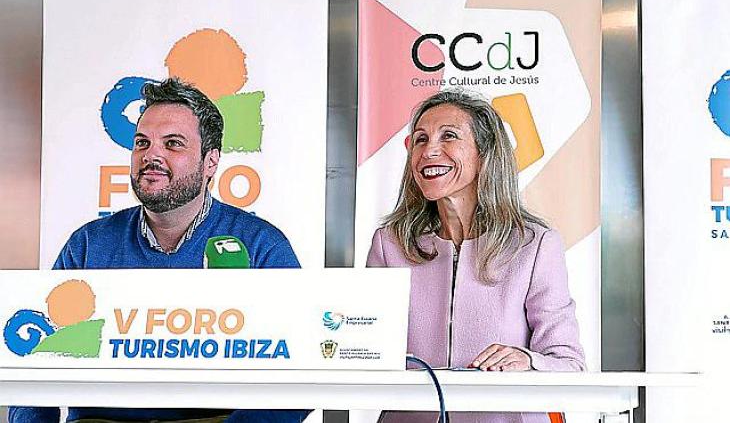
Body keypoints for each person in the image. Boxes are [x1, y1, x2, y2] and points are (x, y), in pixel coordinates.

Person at [9, 78, 310, 423]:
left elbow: (301, 373)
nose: (151, 155)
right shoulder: (88, 246)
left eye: (173, 144)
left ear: (210, 162)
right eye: (142, 143)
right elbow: (34, 365)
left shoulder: (261, 246)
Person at [367, 89, 585, 423]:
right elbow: (365, 350)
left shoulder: (535, 246)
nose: (428, 151)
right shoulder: (389, 245)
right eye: (421, 139)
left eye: (448, 136)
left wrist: (528, 360)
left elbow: (569, 363)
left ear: (485, 154)